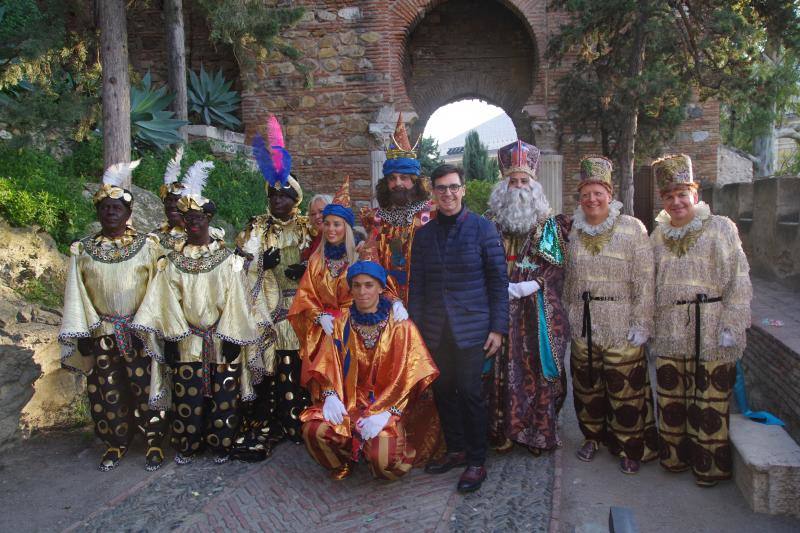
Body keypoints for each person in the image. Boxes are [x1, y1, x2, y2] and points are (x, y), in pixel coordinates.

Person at [132, 160, 267, 465]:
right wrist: (170, 336)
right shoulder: (170, 262)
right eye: (188, 218)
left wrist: (234, 336)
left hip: (221, 336)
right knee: (187, 397)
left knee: (224, 398)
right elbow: (163, 301)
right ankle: (188, 443)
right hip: (187, 339)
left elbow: (238, 300)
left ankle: (221, 443)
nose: (193, 223)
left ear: (208, 220)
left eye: (199, 218)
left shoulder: (228, 260)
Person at [58, 160, 168, 472]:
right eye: (104, 207)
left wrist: (144, 323)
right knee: (108, 391)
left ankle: (154, 442)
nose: (110, 212)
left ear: (128, 212)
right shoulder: (83, 250)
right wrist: (84, 334)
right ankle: (116, 443)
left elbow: (159, 289)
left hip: (139, 331)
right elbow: (76, 293)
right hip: (101, 332)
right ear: (98, 212)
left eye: (116, 207)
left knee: (147, 387)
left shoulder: (148, 246)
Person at [650, 154, 752, 487]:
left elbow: (738, 279)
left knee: (709, 400)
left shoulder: (721, 227)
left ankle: (708, 467)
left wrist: (732, 325)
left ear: (695, 194)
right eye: (669, 196)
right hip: (670, 328)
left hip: (711, 326)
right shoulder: (657, 237)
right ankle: (675, 459)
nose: (676, 201)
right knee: (672, 398)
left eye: (682, 194)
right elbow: (649, 283)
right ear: (662, 200)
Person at [410, 164, 509, 493]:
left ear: (463, 190)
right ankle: (455, 450)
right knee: (444, 391)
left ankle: (477, 460)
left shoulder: (483, 229)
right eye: (441, 188)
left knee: (469, 392)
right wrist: (417, 332)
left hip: (472, 329)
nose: (448, 194)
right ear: (433, 193)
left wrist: (497, 328)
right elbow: (418, 287)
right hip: (436, 331)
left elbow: (498, 281)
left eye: (453, 187)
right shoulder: (423, 235)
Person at [300, 256, 439, 480]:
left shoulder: (401, 327)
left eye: (369, 285)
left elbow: (412, 376)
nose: (362, 292)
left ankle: (386, 449)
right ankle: (344, 459)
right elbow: (327, 363)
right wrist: (330, 396)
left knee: (384, 466)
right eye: (356, 285)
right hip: (349, 403)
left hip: (385, 405)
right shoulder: (341, 322)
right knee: (314, 430)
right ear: (351, 289)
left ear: (381, 288)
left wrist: (387, 412)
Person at [563, 156, 658, 475]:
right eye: (586, 194)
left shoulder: (633, 228)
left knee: (625, 388)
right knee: (587, 385)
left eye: (598, 193)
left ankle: (631, 445)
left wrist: (642, 323)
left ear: (610, 193)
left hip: (621, 320)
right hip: (584, 322)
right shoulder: (571, 231)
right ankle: (592, 437)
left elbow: (645, 280)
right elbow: (563, 278)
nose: (592, 199)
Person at [359, 113, 442, 465]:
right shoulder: (377, 218)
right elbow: (371, 258)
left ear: (416, 180)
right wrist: (387, 297)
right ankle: (389, 435)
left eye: (405, 177)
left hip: (427, 305)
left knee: (425, 370)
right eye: (392, 178)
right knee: (391, 368)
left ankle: (427, 444)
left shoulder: (432, 214)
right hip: (390, 306)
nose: (398, 183)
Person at [231, 115, 314, 461]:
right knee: (270, 368)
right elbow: (238, 267)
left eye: (285, 197)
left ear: (295, 199)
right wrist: (260, 267)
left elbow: (327, 260)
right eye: (273, 196)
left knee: (297, 368)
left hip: (301, 309)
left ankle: (298, 421)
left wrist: (307, 269)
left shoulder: (309, 227)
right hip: (266, 307)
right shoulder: (255, 228)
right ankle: (269, 420)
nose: (278, 202)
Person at [485, 141, 571, 455]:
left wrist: (533, 286)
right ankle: (503, 431)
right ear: (503, 185)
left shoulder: (547, 225)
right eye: (513, 181)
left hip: (534, 313)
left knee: (534, 369)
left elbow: (557, 269)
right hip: (498, 309)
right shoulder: (489, 223)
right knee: (499, 371)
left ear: (533, 185)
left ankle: (535, 432)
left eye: (524, 181)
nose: (518, 187)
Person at [288, 178, 409, 384]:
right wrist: (319, 317)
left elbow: (381, 284)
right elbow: (305, 296)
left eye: (337, 224)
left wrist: (396, 302)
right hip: (326, 333)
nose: (331, 229)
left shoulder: (361, 253)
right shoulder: (316, 260)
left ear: (346, 226)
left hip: (357, 329)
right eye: (327, 224)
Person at [153, 146, 224, 252]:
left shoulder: (205, 235)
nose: (172, 205)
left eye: (177, 201)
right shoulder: (157, 235)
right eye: (168, 201)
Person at [302, 193, 332, 262]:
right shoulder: (309, 241)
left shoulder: (341, 238)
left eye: (321, 211)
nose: (317, 216)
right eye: (313, 214)